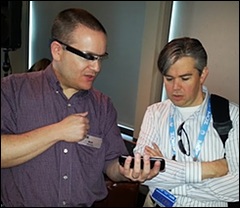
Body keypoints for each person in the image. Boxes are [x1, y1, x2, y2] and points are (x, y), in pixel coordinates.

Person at [1, 8, 161, 207]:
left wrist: (127, 171)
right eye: (88, 56)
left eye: (101, 58)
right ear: (57, 51)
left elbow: (110, 163)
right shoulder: (12, 90)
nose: (97, 67)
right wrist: (58, 131)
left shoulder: (103, 106)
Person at [133, 37, 239, 207]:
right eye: (169, 78)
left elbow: (236, 187)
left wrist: (168, 172)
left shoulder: (233, 116)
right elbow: (144, 172)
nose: (175, 87)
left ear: (202, 74)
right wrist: (209, 170)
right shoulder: (154, 113)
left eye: (185, 78)